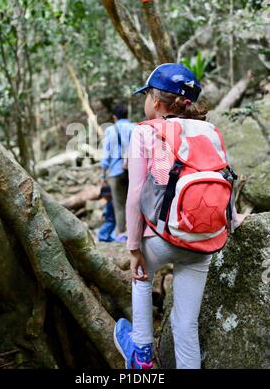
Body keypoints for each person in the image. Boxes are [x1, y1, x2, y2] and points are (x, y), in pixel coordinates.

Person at [113, 63, 248, 369]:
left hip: (161, 237)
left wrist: (134, 248)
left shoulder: (145, 131)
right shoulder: (211, 131)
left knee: (142, 278)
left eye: (146, 95)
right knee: (186, 323)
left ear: (157, 102)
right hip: (204, 241)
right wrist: (235, 219)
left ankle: (142, 355)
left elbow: (135, 195)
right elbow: (224, 178)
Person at [100, 104, 135, 242]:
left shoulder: (110, 130)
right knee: (133, 203)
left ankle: (121, 234)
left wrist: (103, 174)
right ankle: (134, 232)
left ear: (114, 117)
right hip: (133, 171)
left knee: (119, 205)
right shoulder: (134, 127)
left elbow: (106, 153)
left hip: (115, 171)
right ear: (127, 115)